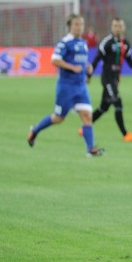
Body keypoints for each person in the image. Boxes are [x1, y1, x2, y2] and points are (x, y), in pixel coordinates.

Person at [27, 14, 104, 157]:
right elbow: (54, 60)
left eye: (81, 24)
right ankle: (34, 131)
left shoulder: (82, 42)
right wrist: (72, 68)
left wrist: (87, 68)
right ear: (70, 26)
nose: (79, 27)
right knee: (58, 118)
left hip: (81, 87)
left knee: (87, 116)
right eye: (76, 24)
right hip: (66, 87)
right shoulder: (64, 42)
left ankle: (90, 149)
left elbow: (81, 61)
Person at [80, 17, 132, 142]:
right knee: (117, 103)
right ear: (112, 28)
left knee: (104, 107)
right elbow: (96, 59)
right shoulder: (106, 42)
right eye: (115, 26)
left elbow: (128, 58)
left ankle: (84, 128)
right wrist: (89, 76)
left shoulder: (125, 43)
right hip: (107, 78)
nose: (118, 28)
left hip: (116, 79)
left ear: (123, 28)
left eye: (120, 26)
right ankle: (125, 134)